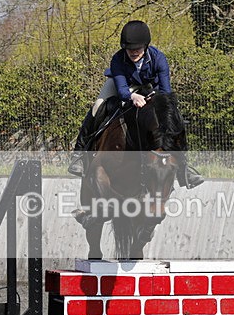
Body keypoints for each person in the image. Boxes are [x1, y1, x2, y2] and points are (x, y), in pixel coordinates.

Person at [68, 20, 204, 189]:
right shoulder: (118, 59)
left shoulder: (159, 58)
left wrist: (155, 100)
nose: (133, 52)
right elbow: (121, 87)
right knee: (97, 107)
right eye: (129, 48)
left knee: (174, 116)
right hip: (124, 87)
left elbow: (166, 91)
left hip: (152, 89)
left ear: (146, 46)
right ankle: (79, 155)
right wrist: (132, 96)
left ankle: (184, 167)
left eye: (137, 48)